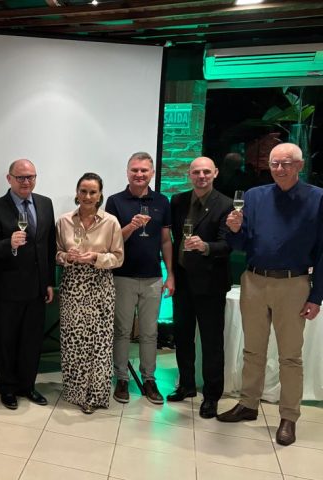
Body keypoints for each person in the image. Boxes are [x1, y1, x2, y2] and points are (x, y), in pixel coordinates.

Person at [217, 143, 323, 446]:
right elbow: (241, 244)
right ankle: (248, 404)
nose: (279, 169)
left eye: (286, 163)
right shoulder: (254, 196)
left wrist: (316, 296)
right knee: (252, 350)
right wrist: (234, 230)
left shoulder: (318, 198)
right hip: (253, 280)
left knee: (290, 356)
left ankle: (289, 417)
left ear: (300, 165)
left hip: (294, 283)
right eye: (275, 163)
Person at [0, 159, 56, 410]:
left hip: (37, 288)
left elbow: (48, 246)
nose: (26, 182)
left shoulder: (45, 203)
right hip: (7, 287)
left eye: (31, 177)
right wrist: (9, 243)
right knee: (6, 340)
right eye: (21, 177)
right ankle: (6, 387)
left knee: (32, 340)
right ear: (9, 178)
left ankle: (27, 385)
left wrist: (49, 282)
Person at [105, 151, 174, 405]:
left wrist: (170, 275)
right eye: (134, 170)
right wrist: (132, 226)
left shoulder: (162, 201)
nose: (139, 174)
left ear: (152, 173)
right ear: (127, 172)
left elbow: (165, 241)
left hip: (153, 277)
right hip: (122, 275)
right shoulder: (114, 201)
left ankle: (149, 379)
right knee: (122, 331)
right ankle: (122, 378)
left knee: (149, 332)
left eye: (144, 170)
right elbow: (112, 240)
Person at [169, 157, 233, 419]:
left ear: (215, 173)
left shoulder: (226, 204)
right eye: (196, 172)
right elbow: (174, 238)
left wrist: (205, 246)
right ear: (189, 174)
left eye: (206, 171)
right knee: (182, 337)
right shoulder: (178, 201)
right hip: (183, 280)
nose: (201, 176)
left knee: (211, 342)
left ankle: (211, 396)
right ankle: (186, 385)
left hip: (210, 284)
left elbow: (228, 245)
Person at [55, 173, 123, 414]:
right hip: (73, 285)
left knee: (99, 341)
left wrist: (95, 257)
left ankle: (95, 395)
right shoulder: (64, 221)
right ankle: (75, 392)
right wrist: (66, 257)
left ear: (100, 195)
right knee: (73, 341)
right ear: (77, 193)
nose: (87, 196)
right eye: (83, 191)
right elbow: (56, 253)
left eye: (93, 192)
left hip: (100, 285)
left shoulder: (111, 222)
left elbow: (118, 258)